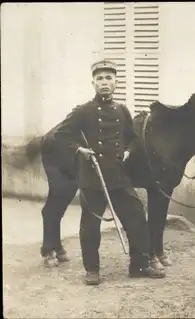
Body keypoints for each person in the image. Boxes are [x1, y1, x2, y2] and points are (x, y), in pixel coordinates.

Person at [53, 59, 166, 284]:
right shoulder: (82, 111)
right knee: (91, 226)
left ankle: (139, 265)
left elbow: (133, 140)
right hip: (92, 177)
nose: (104, 82)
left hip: (118, 175)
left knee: (135, 215)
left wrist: (127, 151)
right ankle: (92, 270)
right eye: (100, 78)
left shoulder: (122, 110)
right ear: (93, 83)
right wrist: (80, 150)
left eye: (109, 78)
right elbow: (61, 135)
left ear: (116, 82)